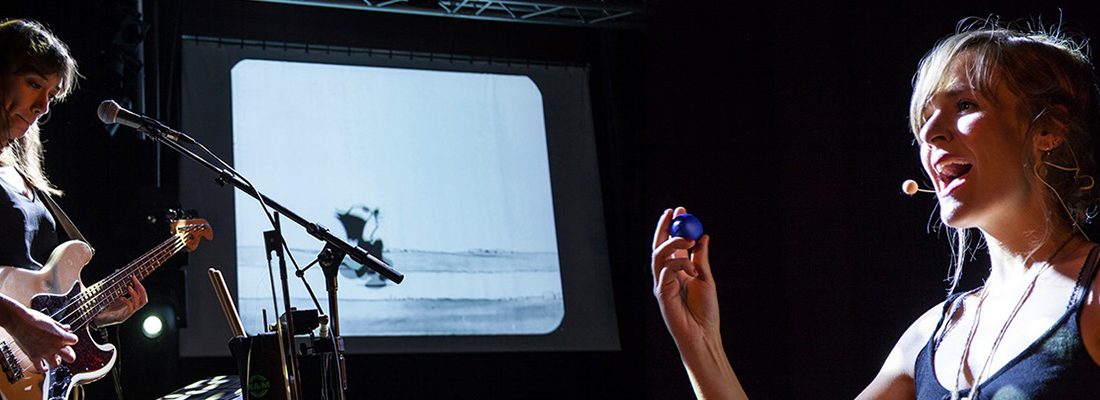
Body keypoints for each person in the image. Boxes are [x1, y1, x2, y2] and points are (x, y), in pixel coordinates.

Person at [651, 20, 1100, 400]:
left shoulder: (1094, 296)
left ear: (1050, 129)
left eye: (966, 105)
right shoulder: (928, 338)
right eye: (925, 116)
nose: (932, 133)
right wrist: (701, 344)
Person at [0, 18, 147, 373]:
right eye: (34, 83)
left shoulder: (19, 171)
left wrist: (86, 314)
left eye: (51, 94)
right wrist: (17, 322)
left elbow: (30, 290)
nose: (42, 107)